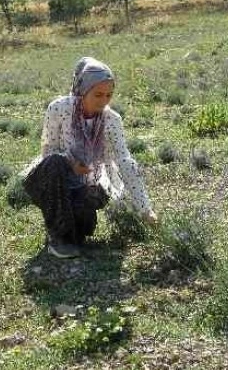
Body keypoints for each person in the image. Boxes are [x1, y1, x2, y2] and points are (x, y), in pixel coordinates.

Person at [22, 57, 158, 259]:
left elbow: (124, 161)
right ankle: (58, 239)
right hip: (53, 179)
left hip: (88, 184)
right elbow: (48, 149)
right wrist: (71, 163)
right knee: (55, 162)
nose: (104, 101)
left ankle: (68, 229)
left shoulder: (112, 120)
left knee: (83, 225)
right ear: (82, 91)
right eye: (98, 95)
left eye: (109, 95)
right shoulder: (59, 109)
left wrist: (145, 210)